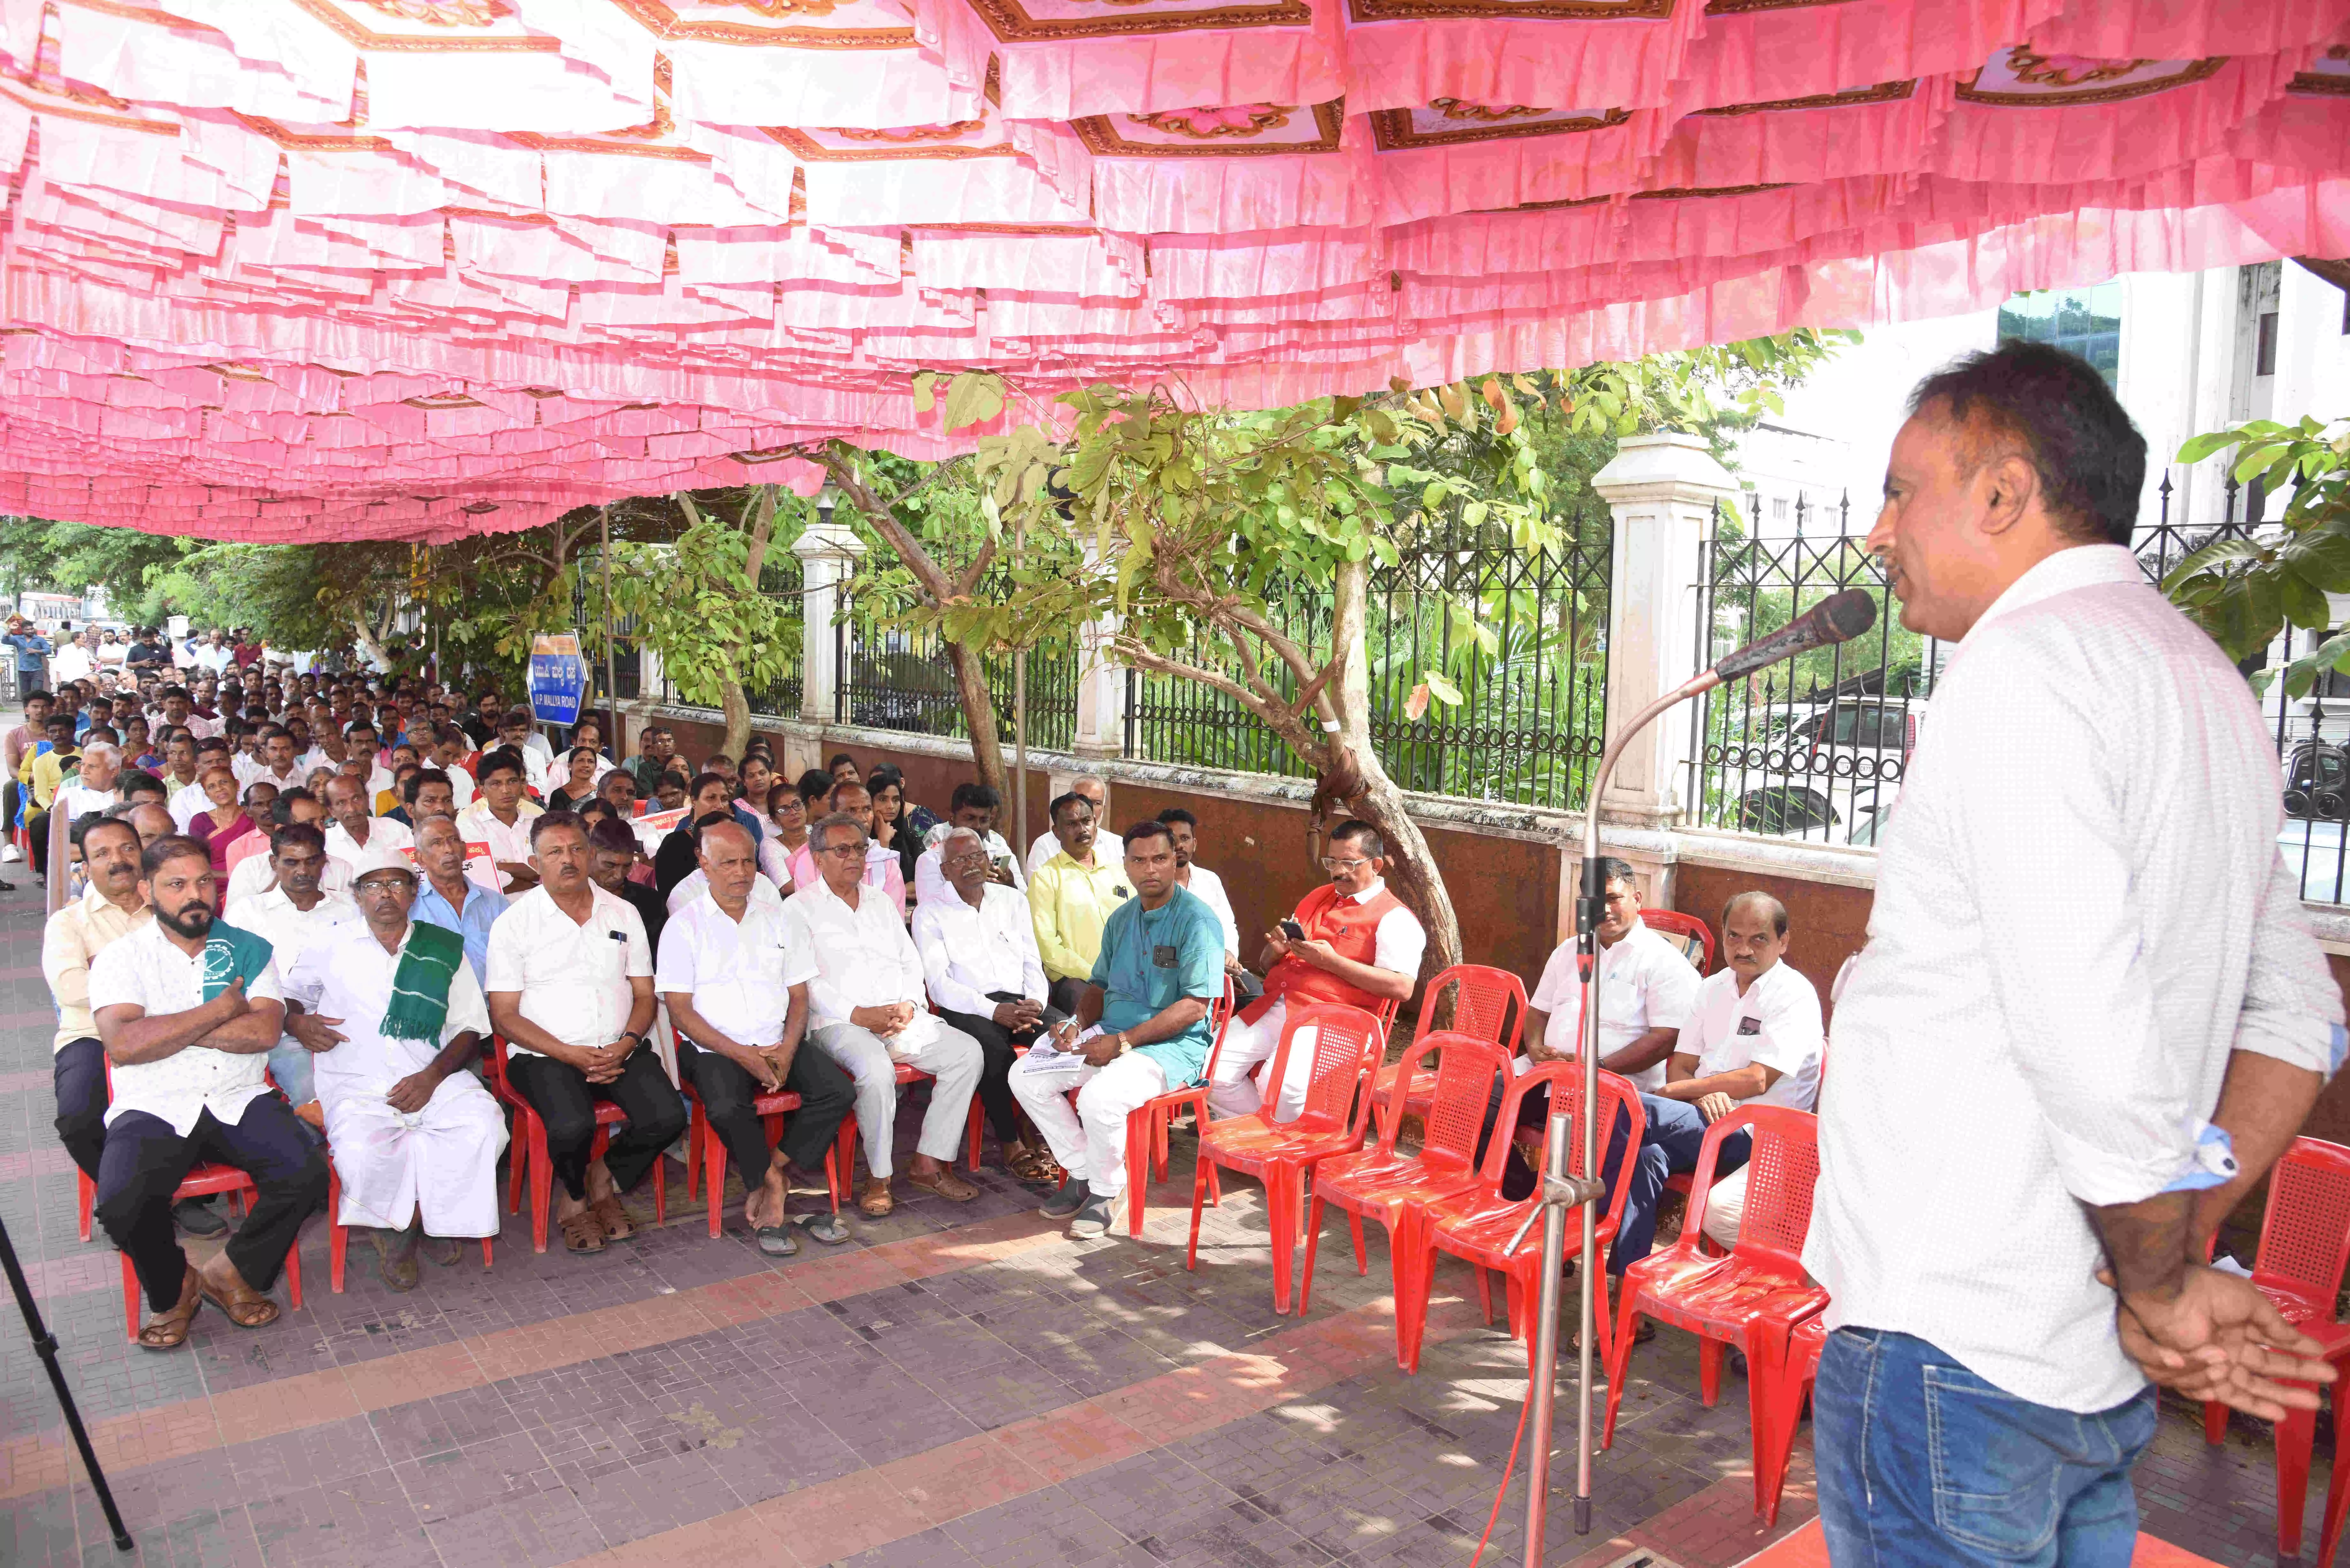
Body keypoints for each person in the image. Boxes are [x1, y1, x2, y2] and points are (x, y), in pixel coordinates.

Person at [1805, 343, 2349, 1565]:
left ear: (2002, 494)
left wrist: (2157, 1283)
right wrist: (2164, 1255)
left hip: (1955, 1343)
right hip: (2082, 1366)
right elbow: (2301, 1016)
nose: (1876, 528)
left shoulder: (2022, 672)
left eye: (1902, 488)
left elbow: (2087, 1037)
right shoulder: (2204, 681)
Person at [88, 834, 328, 1348]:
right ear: (148, 891)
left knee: (306, 1172)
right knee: (120, 1203)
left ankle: (233, 1273)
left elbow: (265, 1033)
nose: (195, 894)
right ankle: (175, 1288)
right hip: (155, 1101)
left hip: (237, 1093)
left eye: (203, 881)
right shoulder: (121, 958)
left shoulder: (248, 947)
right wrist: (221, 1010)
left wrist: (165, 1028)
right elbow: (126, 1045)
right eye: (177, 885)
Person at [283, 845, 507, 1291]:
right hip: (356, 1081)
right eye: (373, 886)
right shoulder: (329, 945)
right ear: (358, 895)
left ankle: (429, 1221)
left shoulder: (442, 948)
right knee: (364, 1151)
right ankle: (394, 1231)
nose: (385, 894)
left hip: (432, 1073)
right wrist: (296, 1020)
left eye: (396, 883)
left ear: (413, 891)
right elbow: (289, 997)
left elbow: (469, 1028)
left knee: (485, 1125)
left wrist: (431, 1078)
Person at [1011, 820, 1224, 1238]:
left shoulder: (1197, 922)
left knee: (1098, 1100)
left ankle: (1108, 1190)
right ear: (1124, 865)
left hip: (1169, 1047)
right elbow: (1100, 986)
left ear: (1175, 859)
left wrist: (1124, 1042)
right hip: (1109, 1032)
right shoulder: (1122, 919)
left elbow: (1195, 1007)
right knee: (1025, 1076)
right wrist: (1076, 1025)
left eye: (1160, 859)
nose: (1151, 870)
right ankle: (1082, 1171)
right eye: (1139, 860)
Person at [484, 812, 682, 1254]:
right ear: (536, 863)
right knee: (572, 1124)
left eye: (576, 849)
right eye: (555, 853)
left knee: (667, 1117)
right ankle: (574, 1198)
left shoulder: (625, 913)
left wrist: (626, 1045)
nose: (568, 860)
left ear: (591, 853)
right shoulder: (514, 923)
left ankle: (601, 1174)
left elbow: (646, 997)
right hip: (544, 1055)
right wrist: (569, 1054)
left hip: (619, 1046)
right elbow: (504, 1016)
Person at [660, 820, 857, 1254]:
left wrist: (787, 1050)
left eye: (748, 860)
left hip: (777, 1041)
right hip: (714, 1047)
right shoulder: (684, 926)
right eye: (728, 862)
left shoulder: (779, 920)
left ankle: (777, 1170)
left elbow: (799, 998)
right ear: (704, 864)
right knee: (728, 1106)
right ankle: (769, 1182)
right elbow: (679, 1011)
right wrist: (744, 1056)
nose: (741, 871)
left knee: (838, 1091)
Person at [788, 811, 983, 1217]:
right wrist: (859, 1014)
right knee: (875, 1071)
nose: (854, 858)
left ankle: (928, 1162)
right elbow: (805, 984)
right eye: (842, 850)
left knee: (968, 1053)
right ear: (818, 858)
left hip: (898, 1019)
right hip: (839, 1024)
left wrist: (910, 1005)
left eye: (860, 848)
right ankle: (878, 1177)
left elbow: (909, 961)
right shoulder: (798, 909)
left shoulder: (879, 903)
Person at [1210, 820, 1424, 1121]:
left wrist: (1332, 962)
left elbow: (1403, 988)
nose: (1338, 871)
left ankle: (1280, 1154)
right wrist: (1277, 949)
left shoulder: (1395, 918)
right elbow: (1264, 965)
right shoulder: (1318, 896)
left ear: (1376, 865)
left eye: (1349, 863)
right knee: (1211, 1069)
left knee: (1279, 1082)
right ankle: (1269, 1141)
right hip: (1281, 1004)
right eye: (1332, 861)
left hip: (1341, 1020)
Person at [1652, 894, 1824, 1253]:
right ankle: (1624, 1279)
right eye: (1734, 937)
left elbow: (1759, 1079)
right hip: (1703, 1120)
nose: (1744, 949)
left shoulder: (1794, 995)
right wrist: (1698, 1093)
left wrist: (1677, 1092)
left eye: (1758, 939)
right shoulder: (1712, 987)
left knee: (1630, 1118)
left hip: (1760, 1135)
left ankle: (1790, 1266)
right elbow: (1680, 1065)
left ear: (1783, 942)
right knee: (1643, 1158)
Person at [913, 827, 1060, 1184]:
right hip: (965, 1006)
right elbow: (939, 985)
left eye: (977, 856)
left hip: (1020, 1001)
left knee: (1064, 1036)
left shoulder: (1012, 901)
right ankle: (1010, 1140)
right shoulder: (929, 913)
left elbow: (1032, 962)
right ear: (944, 870)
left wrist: (1035, 1005)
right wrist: (994, 1012)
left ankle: (1038, 1125)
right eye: (959, 860)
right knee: (993, 1051)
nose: (971, 865)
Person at [1027, 790, 1131, 1014]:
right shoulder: (1046, 878)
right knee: (1109, 1017)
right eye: (1072, 824)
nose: (1082, 830)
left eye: (1087, 821)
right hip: (1076, 980)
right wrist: (1095, 973)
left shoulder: (1119, 873)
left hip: (1128, 973)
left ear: (1095, 823)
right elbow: (1049, 948)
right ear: (1057, 832)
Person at [413, 813, 507, 983]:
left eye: (454, 840)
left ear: (465, 851)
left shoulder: (496, 903)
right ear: (420, 858)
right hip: (443, 1007)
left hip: (495, 1004)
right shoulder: (411, 908)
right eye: (437, 843)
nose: (449, 849)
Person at [224, 789, 352, 911]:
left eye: (321, 821)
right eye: (309, 823)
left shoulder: (341, 868)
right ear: (281, 829)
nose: (320, 830)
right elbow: (236, 924)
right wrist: (282, 876)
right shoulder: (250, 869)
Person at [913, 782, 1022, 908]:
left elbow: (1024, 902)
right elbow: (930, 909)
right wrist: (975, 885)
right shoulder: (931, 860)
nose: (977, 826)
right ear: (952, 819)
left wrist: (1011, 886)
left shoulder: (1001, 852)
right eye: (970, 818)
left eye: (984, 820)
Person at [1156, 808, 1240, 966]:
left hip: (1214, 963)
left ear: (1194, 844)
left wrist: (1228, 953)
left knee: (1253, 991)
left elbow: (1227, 925)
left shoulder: (1210, 880)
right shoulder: (1152, 885)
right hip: (1168, 968)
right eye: (1173, 839)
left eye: (1185, 838)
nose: (1180, 845)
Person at [457, 748, 542, 893]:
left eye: (512, 782)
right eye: (496, 784)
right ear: (483, 791)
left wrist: (496, 865)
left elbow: (550, 867)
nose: (506, 790)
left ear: (522, 786)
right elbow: (483, 879)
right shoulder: (470, 823)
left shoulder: (538, 819)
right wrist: (538, 884)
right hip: (495, 909)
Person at [588, 817, 670, 957]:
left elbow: (656, 959)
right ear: (591, 854)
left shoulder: (651, 902)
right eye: (610, 865)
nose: (618, 875)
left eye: (627, 866)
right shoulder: (571, 899)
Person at [322, 774, 410, 863]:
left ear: (367, 799)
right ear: (332, 811)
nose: (352, 809)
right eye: (341, 803)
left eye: (356, 799)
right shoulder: (326, 844)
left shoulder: (397, 830)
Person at [1028, 775, 1104, 876]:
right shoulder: (1044, 845)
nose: (1086, 808)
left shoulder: (1117, 845)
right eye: (1081, 801)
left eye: (1097, 803)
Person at [184, 765, 252, 876]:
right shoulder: (200, 822)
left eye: (224, 782)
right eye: (211, 787)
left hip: (255, 880)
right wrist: (231, 876)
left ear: (237, 785)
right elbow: (196, 862)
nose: (219, 789)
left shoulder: (252, 815)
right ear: (207, 795)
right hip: (216, 883)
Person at [865, 764, 922, 890]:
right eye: (883, 800)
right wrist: (883, 842)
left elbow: (925, 882)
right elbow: (874, 887)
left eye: (896, 800)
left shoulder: (909, 837)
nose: (891, 806)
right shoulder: (861, 839)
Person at [7, 617, 51, 700]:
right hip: (23, 670)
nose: (31, 631)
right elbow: (5, 640)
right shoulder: (18, 639)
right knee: (25, 694)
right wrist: (10, 630)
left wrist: (36, 651)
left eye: (32, 629)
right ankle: (27, 713)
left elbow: (49, 650)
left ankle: (37, 711)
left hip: (37, 670)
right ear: (23, 631)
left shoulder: (39, 640)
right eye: (28, 630)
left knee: (38, 693)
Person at [547, 745, 602, 812]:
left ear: (596, 767)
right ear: (570, 765)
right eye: (581, 761)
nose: (586, 765)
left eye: (591, 762)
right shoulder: (558, 796)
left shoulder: (600, 794)